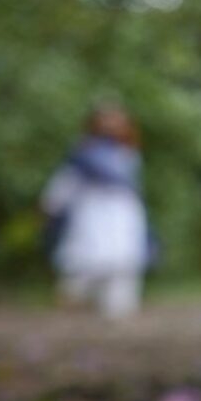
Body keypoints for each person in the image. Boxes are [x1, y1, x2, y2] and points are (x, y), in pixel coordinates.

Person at [41, 106, 150, 319]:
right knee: (84, 260)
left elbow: (133, 184)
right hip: (92, 210)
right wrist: (51, 204)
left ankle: (118, 311)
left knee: (123, 262)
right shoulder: (83, 153)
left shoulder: (128, 153)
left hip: (123, 212)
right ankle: (71, 304)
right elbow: (66, 182)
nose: (111, 125)